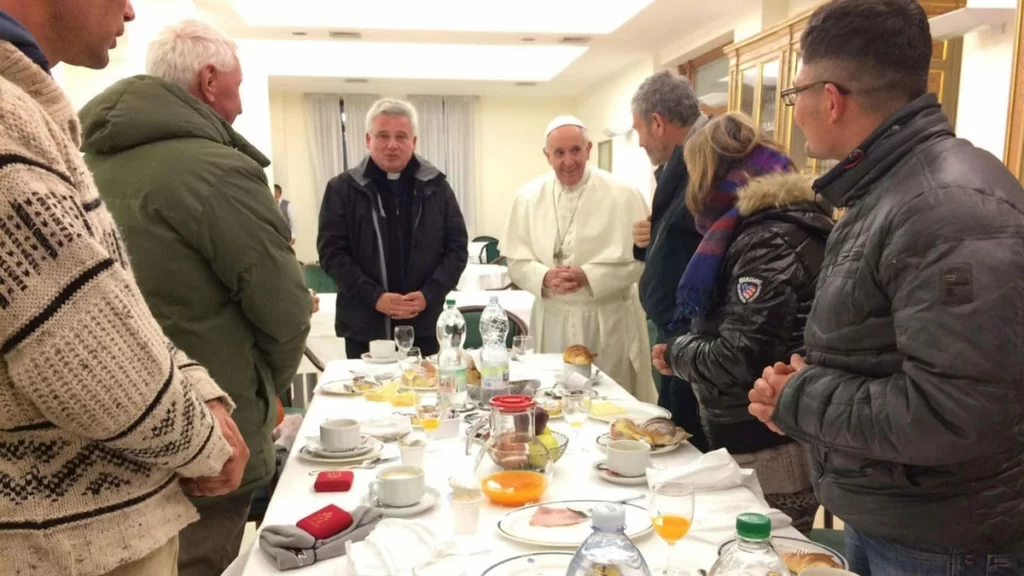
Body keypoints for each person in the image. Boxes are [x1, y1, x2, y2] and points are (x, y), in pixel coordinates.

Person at [746, 0, 1024, 571]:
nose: (795, 112)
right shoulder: (893, 193)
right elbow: (889, 353)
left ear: (829, 97)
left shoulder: (943, 207)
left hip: (945, 541)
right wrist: (809, 380)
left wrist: (798, 399)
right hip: (904, 517)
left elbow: (954, 411)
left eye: (794, 95)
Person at [0, 3, 248, 576]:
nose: (131, 9)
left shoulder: (39, 113)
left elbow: (108, 305)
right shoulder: (9, 118)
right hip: (72, 542)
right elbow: (83, 357)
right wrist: (212, 442)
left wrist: (196, 385)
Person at [79, 20, 312, 576]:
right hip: (207, 431)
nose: (237, 106)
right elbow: (284, 311)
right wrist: (266, 389)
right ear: (210, 81)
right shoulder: (218, 171)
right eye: (236, 87)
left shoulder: (82, 162)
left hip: (106, 431)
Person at [650, 112, 831, 532]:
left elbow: (740, 356)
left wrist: (678, 353)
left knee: (761, 555)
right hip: (767, 433)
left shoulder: (766, 239)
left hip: (770, 445)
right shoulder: (770, 226)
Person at [505, 116, 656, 402]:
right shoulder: (526, 197)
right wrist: (544, 276)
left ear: (588, 149)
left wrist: (589, 276)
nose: (568, 161)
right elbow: (516, 262)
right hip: (552, 317)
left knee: (609, 400)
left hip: (606, 318)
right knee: (554, 398)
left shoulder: (624, 194)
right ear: (547, 155)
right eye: (559, 153)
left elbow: (641, 262)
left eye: (575, 150)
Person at [318, 98, 468, 358]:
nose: (392, 145)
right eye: (382, 136)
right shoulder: (342, 189)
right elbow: (332, 255)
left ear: (414, 141)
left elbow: (456, 249)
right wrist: (375, 297)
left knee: (424, 396)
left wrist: (429, 294)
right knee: (367, 397)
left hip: (424, 322)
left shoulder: (437, 187)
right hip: (364, 324)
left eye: (401, 136)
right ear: (368, 139)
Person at [630, 70, 710, 452]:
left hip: (699, 343)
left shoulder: (710, 161)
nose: (641, 142)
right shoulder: (684, 162)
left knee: (693, 457)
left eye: (639, 130)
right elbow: (684, 239)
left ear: (658, 123)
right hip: (680, 341)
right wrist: (651, 241)